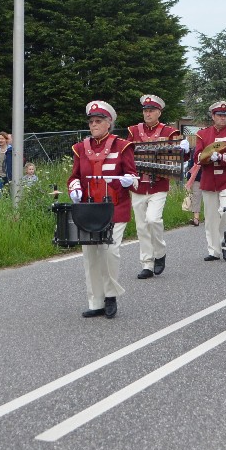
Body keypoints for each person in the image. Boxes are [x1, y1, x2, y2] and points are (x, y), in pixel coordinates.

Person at [68, 100, 138, 318]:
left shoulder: (122, 146)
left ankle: (110, 296)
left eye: (98, 121)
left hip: (115, 207)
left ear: (109, 123)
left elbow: (133, 175)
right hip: (89, 209)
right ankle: (96, 302)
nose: (94, 125)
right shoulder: (80, 148)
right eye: (91, 122)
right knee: (90, 256)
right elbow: (74, 176)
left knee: (109, 252)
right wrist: (74, 188)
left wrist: (128, 180)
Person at [127, 94, 186, 279]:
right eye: (145, 110)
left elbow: (179, 157)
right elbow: (127, 155)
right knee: (141, 226)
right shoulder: (133, 131)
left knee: (152, 220)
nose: (148, 113)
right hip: (138, 185)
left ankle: (160, 253)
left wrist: (184, 149)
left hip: (158, 185)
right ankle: (147, 263)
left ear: (159, 112)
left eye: (151, 110)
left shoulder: (169, 132)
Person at [194, 101, 226, 262]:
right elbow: (197, 157)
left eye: (225, 115)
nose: (223, 118)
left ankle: (225, 244)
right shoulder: (203, 134)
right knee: (210, 218)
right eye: (220, 115)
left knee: (225, 212)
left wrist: (221, 157)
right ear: (213, 116)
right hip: (209, 181)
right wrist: (207, 157)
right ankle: (213, 250)